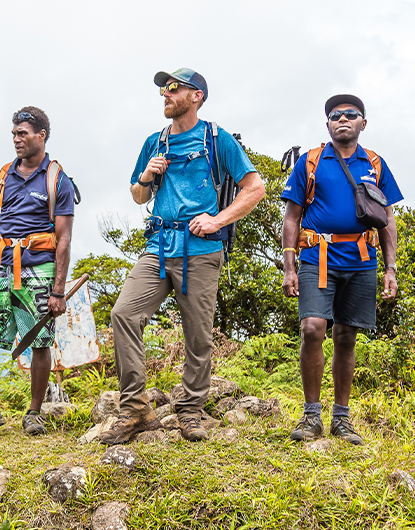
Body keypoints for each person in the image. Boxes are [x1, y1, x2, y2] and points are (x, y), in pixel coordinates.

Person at [98, 68, 265, 444]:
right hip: (158, 244)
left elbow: (255, 188)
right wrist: (145, 177)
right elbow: (138, 196)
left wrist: (217, 220)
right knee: (124, 313)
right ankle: (136, 409)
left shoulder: (216, 139)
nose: (165, 94)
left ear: (197, 96)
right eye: (163, 90)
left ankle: (190, 410)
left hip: (201, 249)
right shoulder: (154, 142)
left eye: (174, 88)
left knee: (198, 335)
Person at [279, 94, 403, 445]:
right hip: (317, 256)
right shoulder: (310, 162)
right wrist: (289, 266)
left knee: (347, 337)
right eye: (335, 115)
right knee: (313, 328)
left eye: (351, 114)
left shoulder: (375, 164)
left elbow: (388, 219)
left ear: (363, 123)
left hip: (362, 259)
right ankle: (311, 415)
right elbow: (291, 217)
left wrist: (390, 268)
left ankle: (342, 419)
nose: (343, 119)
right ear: (328, 124)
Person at [0, 106, 76, 436]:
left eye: (22, 133)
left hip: (39, 269)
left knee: (39, 342)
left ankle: (34, 413)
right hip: (1, 270)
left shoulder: (57, 180)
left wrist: (58, 290)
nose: (16, 139)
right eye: (14, 134)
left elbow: (64, 237)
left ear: (41, 136)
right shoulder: (1, 177)